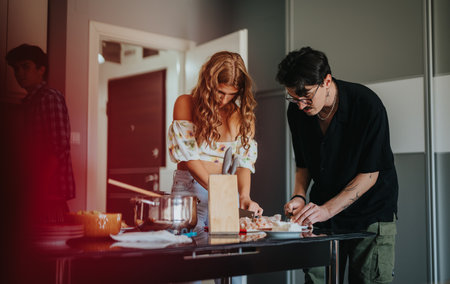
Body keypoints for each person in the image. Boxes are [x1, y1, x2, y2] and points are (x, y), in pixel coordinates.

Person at [276, 47, 398, 284]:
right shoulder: (297, 111)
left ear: (327, 81)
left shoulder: (367, 104)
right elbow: (303, 165)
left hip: (371, 212)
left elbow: (370, 175)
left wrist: (327, 210)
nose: (300, 105)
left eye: (307, 96)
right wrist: (299, 196)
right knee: (317, 278)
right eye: (293, 97)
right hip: (323, 215)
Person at [168, 51, 263, 230]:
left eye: (232, 94)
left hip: (225, 190)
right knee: (186, 249)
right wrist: (219, 189)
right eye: (220, 92)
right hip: (190, 189)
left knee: (224, 248)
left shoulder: (243, 116)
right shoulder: (186, 104)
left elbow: (243, 163)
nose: (224, 99)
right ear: (208, 83)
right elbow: (189, 159)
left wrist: (244, 197)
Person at [6, 44, 75, 224]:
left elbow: (58, 145)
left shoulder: (49, 97)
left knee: (50, 246)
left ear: (41, 69)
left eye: (25, 66)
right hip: (38, 194)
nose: (19, 73)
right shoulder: (29, 103)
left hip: (49, 195)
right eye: (16, 68)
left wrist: (38, 187)